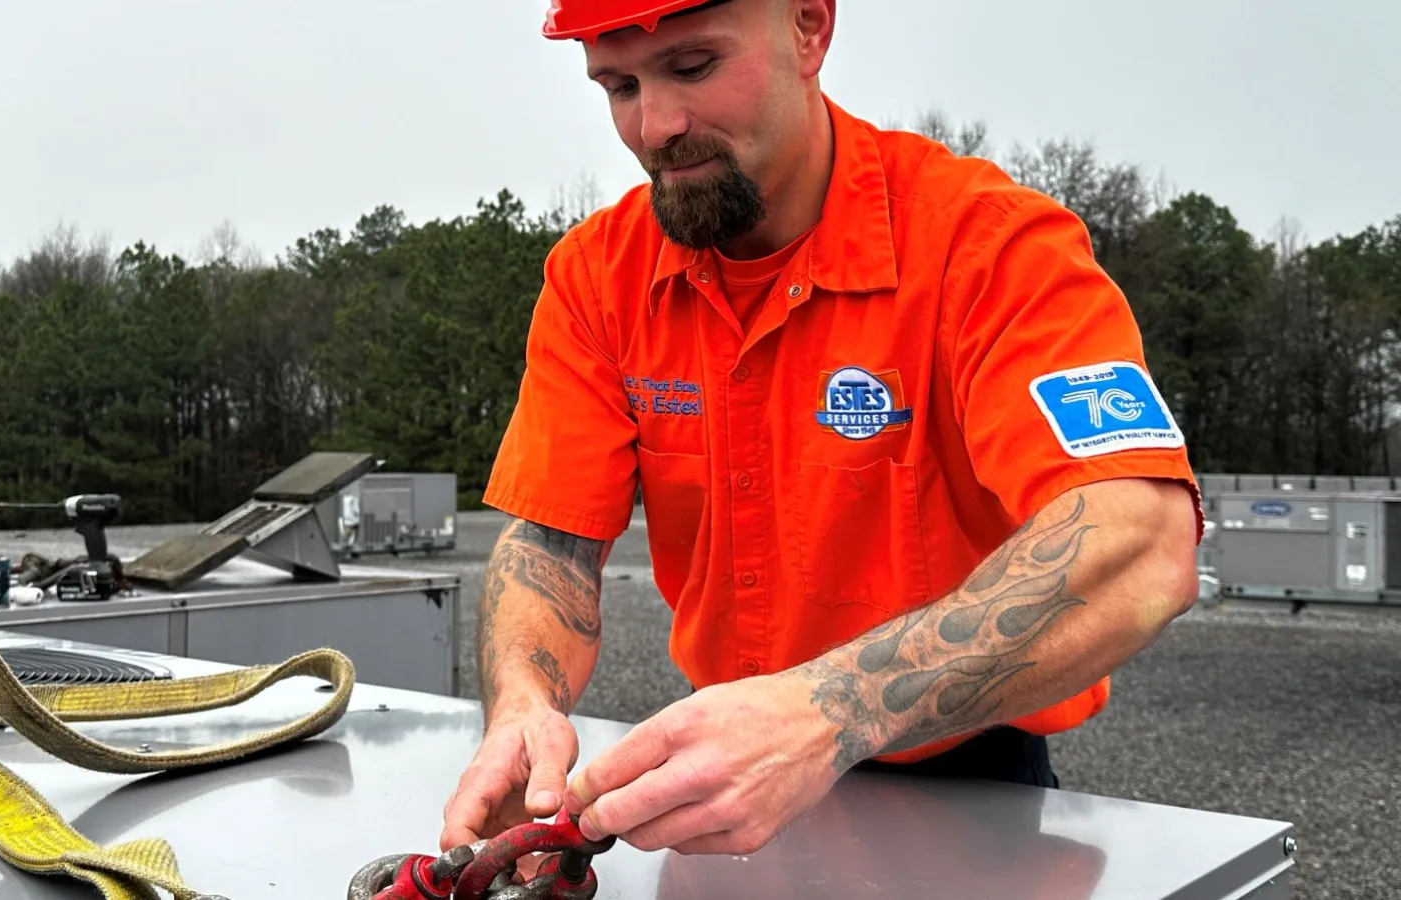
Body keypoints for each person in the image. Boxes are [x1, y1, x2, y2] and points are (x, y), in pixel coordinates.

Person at [440, 0, 1203, 859]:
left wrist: (827, 713)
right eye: (618, 87)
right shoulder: (598, 278)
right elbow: (550, 543)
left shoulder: (985, 247)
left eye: (692, 69)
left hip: (967, 787)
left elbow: (1143, 544)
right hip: (716, 777)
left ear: (808, 27)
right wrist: (523, 707)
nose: (655, 126)